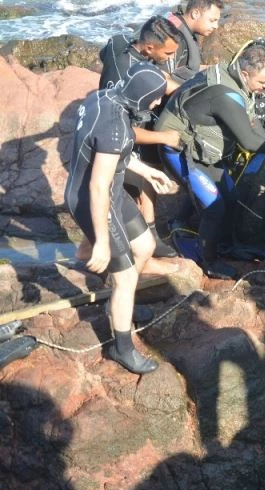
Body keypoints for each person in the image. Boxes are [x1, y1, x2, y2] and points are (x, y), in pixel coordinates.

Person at [64, 62, 176, 374]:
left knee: (144, 246)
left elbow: (115, 151)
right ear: (141, 97)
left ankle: (120, 302)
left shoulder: (105, 97)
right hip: (92, 200)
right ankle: (121, 347)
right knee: (125, 275)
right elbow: (98, 185)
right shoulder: (113, 125)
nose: (155, 104)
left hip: (110, 191)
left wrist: (148, 171)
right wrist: (100, 241)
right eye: (154, 99)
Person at [156, 41, 265, 280]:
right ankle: (209, 261)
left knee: (231, 198)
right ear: (245, 74)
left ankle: (220, 242)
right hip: (178, 150)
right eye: (262, 82)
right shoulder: (225, 94)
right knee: (215, 208)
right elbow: (250, 142)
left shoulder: (233, 77)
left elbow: (253, 127)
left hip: (202, 151)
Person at [99, 15, 184, 258]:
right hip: (115, 131)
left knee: (151, 159)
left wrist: (182, 89)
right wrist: (165, 138)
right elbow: (122, 131)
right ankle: (136, 239)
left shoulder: (119, 42)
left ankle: (151, 231)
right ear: (149, 48)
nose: (170, 60)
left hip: (131, 116)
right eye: (168, 55)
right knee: (144, 163)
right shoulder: (124, 79)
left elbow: (105, 53)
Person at [165, 0, 224, 83]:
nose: (216, 26)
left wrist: (218, 69)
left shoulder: (187, 30)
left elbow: (190, 67)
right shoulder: (175, 38)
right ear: (195, 14)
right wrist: (183, 94)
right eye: (212, 20)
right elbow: (161, 77)